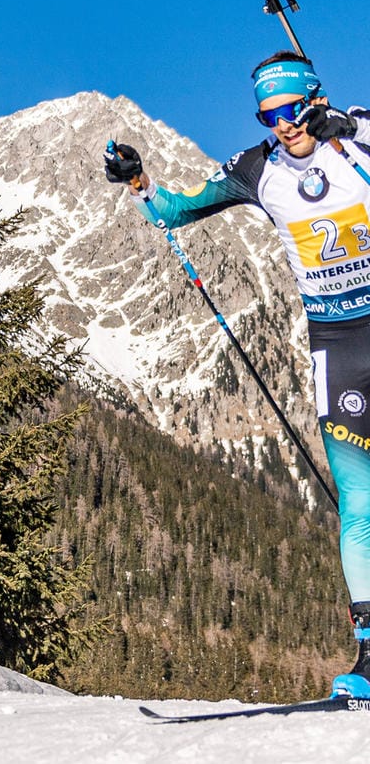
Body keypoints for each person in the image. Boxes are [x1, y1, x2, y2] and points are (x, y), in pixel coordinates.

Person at [105, 51, 370, 698]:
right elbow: (176, 209)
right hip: (335, 342)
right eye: (267, 114)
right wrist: (139, 183)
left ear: (314, 97)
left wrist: (348, 129)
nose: (282, 125)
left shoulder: (357, 133)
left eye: (289, 109)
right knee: (359, 498)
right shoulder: (259, 169)